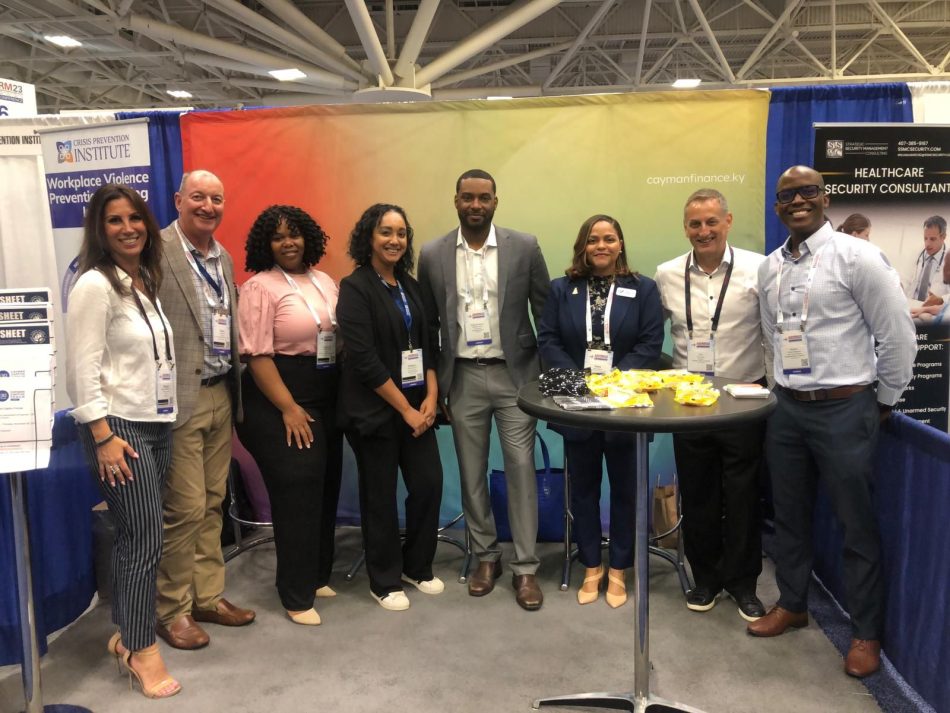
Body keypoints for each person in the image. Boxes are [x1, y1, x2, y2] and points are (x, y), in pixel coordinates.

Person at [752, 166, 916, 679]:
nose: (798, 201)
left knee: (855, 524)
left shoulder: (858, 256)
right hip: (787, 409)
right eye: (787, 195)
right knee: (789, 515)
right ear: (777, 207)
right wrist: (778, 388)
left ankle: (865, 633)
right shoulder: (770, 267)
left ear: (825, 198)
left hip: (846, 407)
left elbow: (898, 336)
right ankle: (792, 604)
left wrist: (883, 400)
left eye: (808, 191)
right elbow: (771, 335)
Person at [418, 169, 551, 611]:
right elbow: (428, 324)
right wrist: (435, 384)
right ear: (456, 200)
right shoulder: (432, 253)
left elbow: (544, 313)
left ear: (496, 201)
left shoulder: (524, 246)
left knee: (521, 469)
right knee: (471, 472)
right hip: (463, 378)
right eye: (468, 197)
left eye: (484, 198)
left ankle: (526, 567)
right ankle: (486, 558)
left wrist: (546, 378)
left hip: (516, 377)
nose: (476, 205)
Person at [66, 184, 180, 698]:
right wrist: (102, 435)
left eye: (135, 218)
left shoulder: (141, 281)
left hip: (155, 422)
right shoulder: (94, 285)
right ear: (99, 228)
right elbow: (81, 369)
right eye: (115, 220)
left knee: (141, 537)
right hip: (117, 428)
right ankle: (140, 648)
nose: (128, 228)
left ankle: (128, 634)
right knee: (143, 539)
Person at [653, 188, 770, 622]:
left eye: (711, 222)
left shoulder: (759, 268)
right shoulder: (666, 274)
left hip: (744, 400)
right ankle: (705, 578)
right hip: (690, 404)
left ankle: (743, 584)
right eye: (695, 224)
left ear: (728, 221)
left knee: (743, 496)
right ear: (686, 228)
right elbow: (650, 335)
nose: (704, 231)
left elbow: (773, 331)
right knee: (698, 493)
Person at [538, 214, 663, 607]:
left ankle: (620, 568)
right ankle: (592, 566)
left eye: (609, 239)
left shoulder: (643, 289)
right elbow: (548, 340)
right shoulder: (562, 289)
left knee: (626, 491)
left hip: (626, 408)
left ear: (620, 244)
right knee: (584, 491)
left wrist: (614, 383)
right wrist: (584, 382)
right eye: (593, 239)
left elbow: (650, 344)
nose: (601, 246)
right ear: (583, 246)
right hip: (579, 406)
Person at [155, 170, 255, 650]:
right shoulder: (155, 251)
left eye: (216, 198)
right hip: (179, 398)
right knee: (185, 508)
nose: (208, 206)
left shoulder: (222, 256)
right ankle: (171, 610)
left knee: (214, 502)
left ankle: (208, 597)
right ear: (178, 200)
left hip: (220, 392)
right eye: (198, 197)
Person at [235, 205, 342, 626]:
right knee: (297, 490)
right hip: (278, 397)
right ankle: (296, 595)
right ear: (266, 244)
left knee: (325, 484)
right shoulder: (259, 287)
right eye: (278, 236)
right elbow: (256, 355)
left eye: (294, 234)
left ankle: (316, 576)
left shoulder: (324, 281)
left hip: (324, 391)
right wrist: (289, 408)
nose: (288, 242)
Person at [337, 203, 443, 611]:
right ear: (369, 237)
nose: (394, 240)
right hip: (377, 412)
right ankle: (383, 580)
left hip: (419, 407)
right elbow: (364, 360)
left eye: (401, 233)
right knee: (379, 496)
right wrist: (405, 409)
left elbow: (428, 344)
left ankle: (417, 566)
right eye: (386, 232)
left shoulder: (410, 286)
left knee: (428, 484)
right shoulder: (355, 288)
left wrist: (431, 398)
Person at [905, 215, 947, 302]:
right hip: (912, 303)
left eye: (932, 239)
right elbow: (906, 279)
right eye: (925, 238)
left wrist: (941, 300)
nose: (927, 244)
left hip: (935, 308)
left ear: (943, 237)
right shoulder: (917, 253)